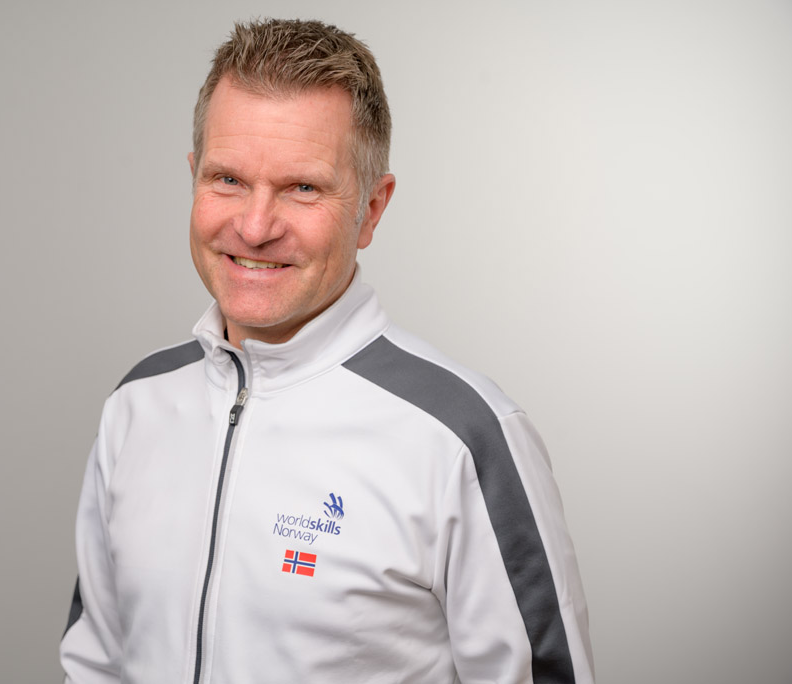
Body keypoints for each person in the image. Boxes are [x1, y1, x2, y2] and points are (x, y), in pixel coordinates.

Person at [60, 18, 594, 684]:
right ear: (194, 178)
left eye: (303, 187)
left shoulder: (462, 439)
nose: (255, 226)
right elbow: (96, 665)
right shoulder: (136, 406)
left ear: (371, 209)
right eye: (227, 179)